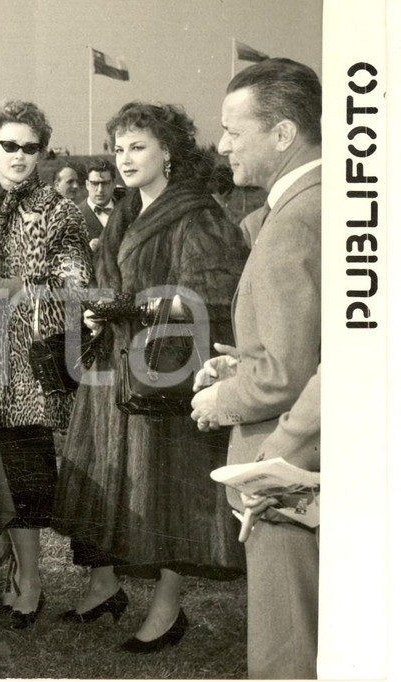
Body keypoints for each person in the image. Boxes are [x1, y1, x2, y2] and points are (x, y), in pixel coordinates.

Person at [52, 101, 248, 652]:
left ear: (169, 153)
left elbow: (215, 297)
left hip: (165, 374)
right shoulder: (124, 210)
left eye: (138, 147)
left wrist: (136, 307)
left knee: (166, 490)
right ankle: (104, 586)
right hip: (114, 370)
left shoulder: (197, 214)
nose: (124, 158)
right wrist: (100, 309)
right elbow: (113, 283)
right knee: (111, 478)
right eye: (119, 148)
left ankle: (168, 606)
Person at [190, 58, 322, 678]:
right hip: (307, 458)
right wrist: (238, 362)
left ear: (283, 133)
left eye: (233, 131)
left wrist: (223, 400)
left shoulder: (296, 218)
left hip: (287, 468)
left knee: (287, 643)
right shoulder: (318, 204)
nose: (222, 146)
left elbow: (287, 376)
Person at [0, 99, 91, 629]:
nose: (19, 155)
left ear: (42, 155)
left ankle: (31, 582)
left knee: (27, 477)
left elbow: (76, 285)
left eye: (30, 148)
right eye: (8, 145)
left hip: (33, 369)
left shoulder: (59, 211)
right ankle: (12, 575)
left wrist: (9, 289)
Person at [78, 159, 116, 252]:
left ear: (114, 184)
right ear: (87, 184)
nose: (100, 190)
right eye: (95, 183)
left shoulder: (127, 211)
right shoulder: (74, 216)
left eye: (105, 183)